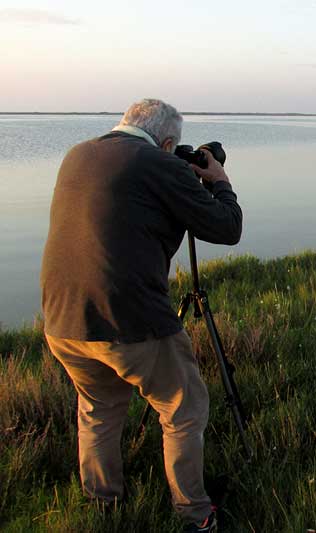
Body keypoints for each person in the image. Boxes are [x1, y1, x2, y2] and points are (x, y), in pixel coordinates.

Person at [41, 98, 242, 532]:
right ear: (167, 142)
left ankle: (104, 504)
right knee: (184, 409)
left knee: (98, 407)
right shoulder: (159, 164)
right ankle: (196, 515)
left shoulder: (77, 154)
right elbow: (227, 228)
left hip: (63, 319)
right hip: (130, 320)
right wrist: (219, 180)